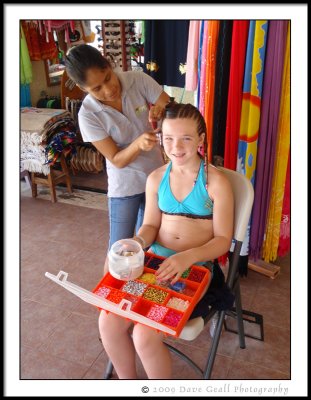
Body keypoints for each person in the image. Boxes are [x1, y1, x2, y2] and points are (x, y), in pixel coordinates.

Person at [98, 102, 235, 379]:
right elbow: (150, 225)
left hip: (196, 269)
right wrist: (137, 241)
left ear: (201, 139)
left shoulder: (215, 183)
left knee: (144, 334)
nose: (176, 146)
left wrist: (186, 257)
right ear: (160, 138)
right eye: (169, 138)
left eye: (186, 138)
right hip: (154, 265)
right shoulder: (156, 178)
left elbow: (222, 240)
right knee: (108, 321)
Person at [64, 44, 171, 272]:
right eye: (96, 89)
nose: (108, 90)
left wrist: (160, 109)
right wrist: (138, 143)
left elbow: (167, 103)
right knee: (118, 250)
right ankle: (107, 306)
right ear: (84, 89)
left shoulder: (137, 80)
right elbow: (117, 159)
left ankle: (142, 299)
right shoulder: (88, 115)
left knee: (150, 245)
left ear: (109, 65)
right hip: (124, 185)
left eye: (107, 78)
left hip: (155, 177)